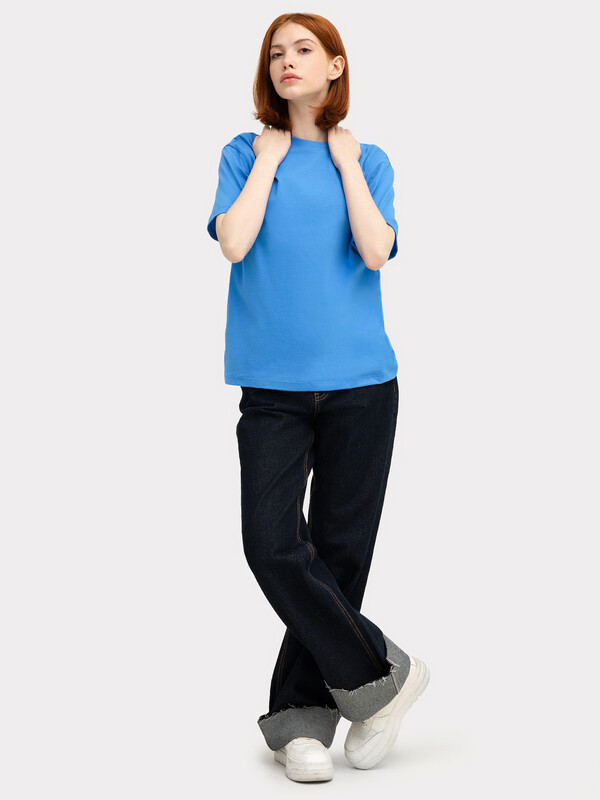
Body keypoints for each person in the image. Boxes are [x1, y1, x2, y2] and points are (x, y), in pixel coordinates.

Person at [206, 12, 429, 783]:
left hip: (363, 385)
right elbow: (233, 241)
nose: (287, 62)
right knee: (272, 545)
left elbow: (376, 250)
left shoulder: (369, 159)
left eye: (304, 49)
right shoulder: (243, 154)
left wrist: (346, 163)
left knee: (338, 557)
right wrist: (269, 160)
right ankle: (383, 677)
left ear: (336, 65)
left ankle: (302, 720)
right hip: (273, 390)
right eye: (277, 53)